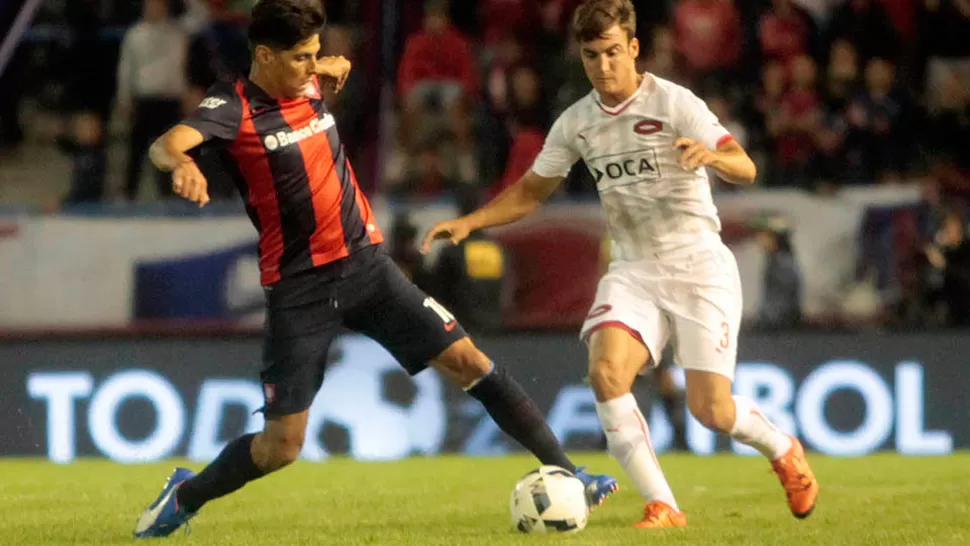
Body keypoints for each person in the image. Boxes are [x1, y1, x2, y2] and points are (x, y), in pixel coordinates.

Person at [132, 0, 616, 538]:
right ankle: (186, 493)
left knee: (469, 360)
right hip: (301, 288)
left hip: (367, 267)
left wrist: (323, 65)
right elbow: (165, 144)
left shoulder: (304, 78)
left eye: (315, 55)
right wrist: (182, 165)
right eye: (301, 58)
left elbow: (315, 65)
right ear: (264, 56)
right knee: (281, 447)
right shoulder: (233, 106)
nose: (312, 66)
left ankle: (575, 473)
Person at [421, 0, 818, 529]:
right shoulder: (577, 122)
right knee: (605, 373)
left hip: (698, 264)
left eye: (612, 52)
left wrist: (713, 157)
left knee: (712, 411)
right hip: (634, 270)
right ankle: (664, 506)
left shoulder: (676, 103)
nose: (603, 66)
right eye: (591, 56)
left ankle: (782, 448)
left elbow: (745, 165)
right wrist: (473, 222)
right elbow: (532, 191)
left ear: (632, 48)